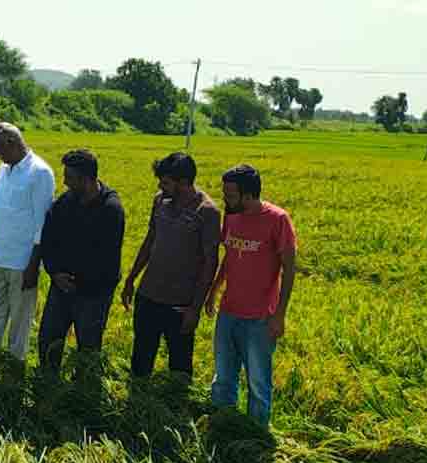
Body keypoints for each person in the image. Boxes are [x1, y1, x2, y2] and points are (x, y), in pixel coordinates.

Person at [205, 164, 297, 426]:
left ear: (248, 195)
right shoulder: (231, 216)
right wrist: (213, 291)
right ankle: (224, 426)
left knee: (258, 383)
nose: (225, 199)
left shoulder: (278, 220)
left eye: (231, 195)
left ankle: (255, 435)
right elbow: (230, 256)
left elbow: (289, 269)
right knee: (223, 377)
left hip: (260, 319)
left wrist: (279, 315)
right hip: (229, 312)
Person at [121, 152, 222, 380]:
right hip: (148, 295)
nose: (160, 186)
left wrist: (195, 308)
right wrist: (131, 279)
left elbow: (210, 263)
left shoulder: (207, 212)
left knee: (179, 366)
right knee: (140, 359)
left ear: (184, 183)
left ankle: (176, 409)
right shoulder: (160, 201)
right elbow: (150, 240)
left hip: (180, 304)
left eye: (166, 182)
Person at [0, 122, 55, 377]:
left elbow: (43, 225)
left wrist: (33, 265)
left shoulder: (40, 172)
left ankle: (13, 375)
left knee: (19, 324)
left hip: (23, 264)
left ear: (12, 142)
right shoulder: (3, 169)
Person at [36, 149, 125, 374]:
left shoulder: (110, 209)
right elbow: (49, 239)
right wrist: (55, 273)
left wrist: (78, 281)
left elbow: (106, 258)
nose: (65, 182)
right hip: (61, 286)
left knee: (87, 348)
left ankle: (84, 394)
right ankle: (48, 382)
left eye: (70, 177)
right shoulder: (65, 202)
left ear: (86, 180)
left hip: (94, 293)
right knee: (48, 339)